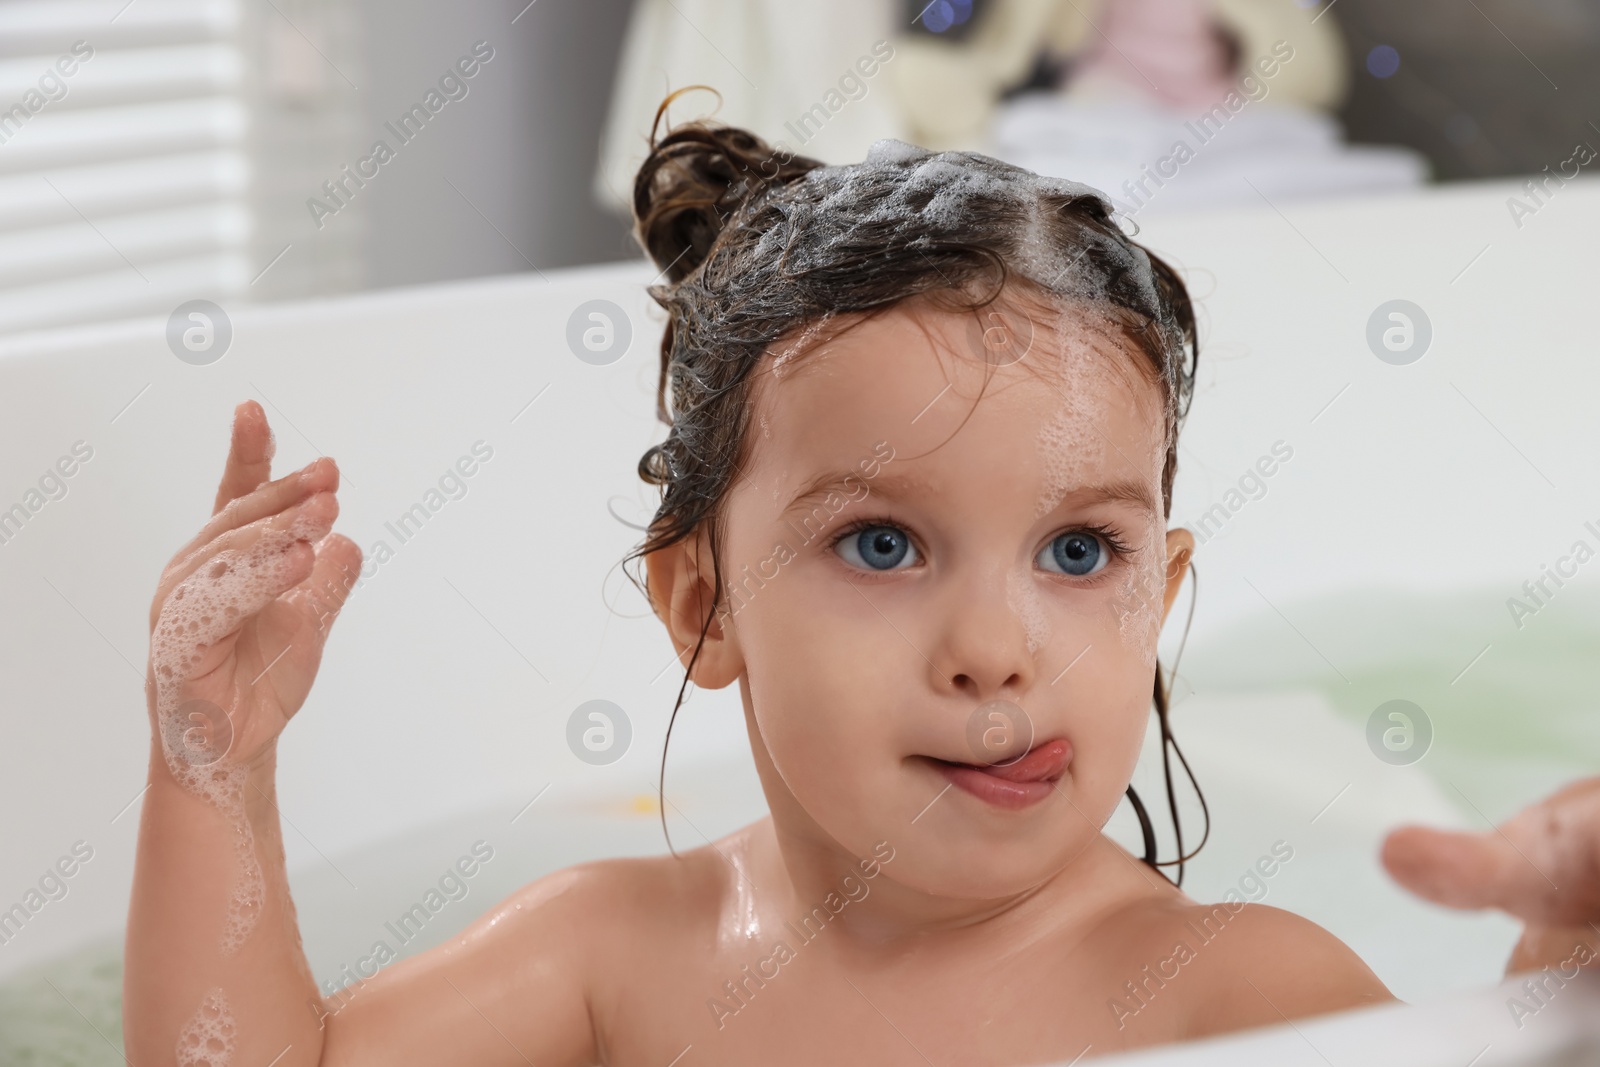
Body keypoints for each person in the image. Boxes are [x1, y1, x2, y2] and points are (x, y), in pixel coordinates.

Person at [122, 103, 1593, 1066]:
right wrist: (213, 770)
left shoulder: (1234, 998)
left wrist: (1562, 971)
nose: (994, 650)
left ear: (1160, 589)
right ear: (702, 606)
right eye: (882, 544)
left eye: (1082, 553)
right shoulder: (612, 961)